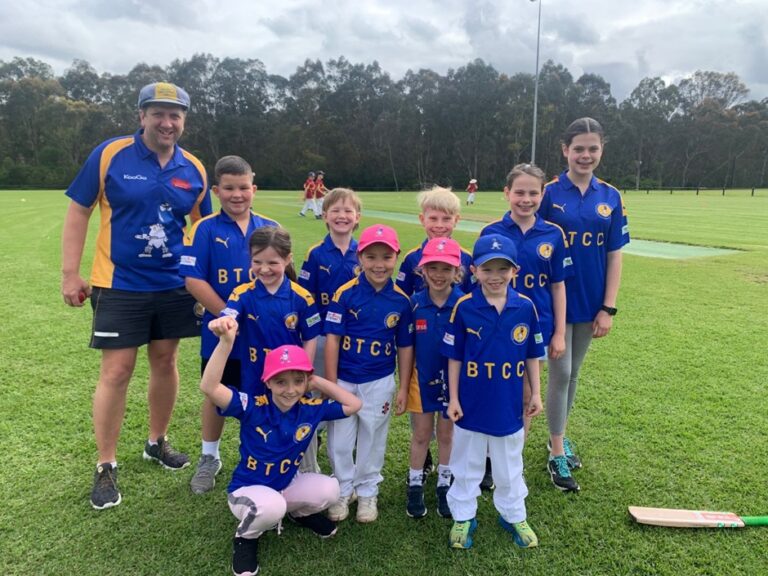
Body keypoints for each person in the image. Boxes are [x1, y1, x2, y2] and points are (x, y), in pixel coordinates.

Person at [61, 81, 211, 510]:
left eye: (175, 115)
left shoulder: (194, 168)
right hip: (119, 282)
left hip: (173, 285)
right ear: (141, 116)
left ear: (183, 120)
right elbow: (79, 210)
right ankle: (105, 464)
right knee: (117, 371)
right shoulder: (110, 154)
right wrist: (70, 273)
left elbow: (202, 230)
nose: (167, 122)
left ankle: (156, 440)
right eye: (157, 113)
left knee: (165, 361)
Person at [201, 319, 362, 576]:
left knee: (331, 489)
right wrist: (225, 343)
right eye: (281, 382)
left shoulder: (309, 408)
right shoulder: (253, 405)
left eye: (298, 381)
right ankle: (246, 537)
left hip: (284, 486)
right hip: (247, 491)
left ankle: (298, 514)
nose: (290, 390)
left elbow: (353, 405)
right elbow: (209, 387)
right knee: (272, 506)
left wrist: (317, 382)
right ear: (267, 382)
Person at [538, 117, 630, 488]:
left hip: (591, 302)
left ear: (601, 150)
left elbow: (615, 255)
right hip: (554, 301)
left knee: (573, 374)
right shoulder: (547, 192)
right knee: (560, 373)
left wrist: (607, 307)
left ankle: (556, 435)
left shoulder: (611, 196)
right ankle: (557, 450)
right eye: (579, 148)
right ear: (565, 150)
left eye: (593, 148)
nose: (586, 155)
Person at [180, 155, 279, 494]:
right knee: (216, 393)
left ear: (254, 187)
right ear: (216, 190)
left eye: (243, 187)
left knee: (268, 392)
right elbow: (194, 280)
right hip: (223, 333)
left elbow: (284, 275)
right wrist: (229, 317)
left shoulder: (270, 227)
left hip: (265, 333)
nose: (237, 194)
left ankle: (269, 450)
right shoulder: (204, 228)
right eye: (229, 188)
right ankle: (210, 457)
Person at [441, 234, 544, 550]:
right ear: (474, 270)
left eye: (503, 269)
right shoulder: (464, 306)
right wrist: (454, 398)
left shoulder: (525, 307)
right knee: (466, 463)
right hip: (471, 404)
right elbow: (455, 357)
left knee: (509, 465)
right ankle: (463, 516)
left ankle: (513, 514)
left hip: (508, 405)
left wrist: (536, 393)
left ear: (515, 270)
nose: (495, 276)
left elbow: (531, 355)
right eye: (487, 269)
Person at [480, 163, 576, 491]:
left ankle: (510, 460)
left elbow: (558, 286)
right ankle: (495, 459)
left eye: (533, 192)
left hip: (536, 329)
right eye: (519, 192)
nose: (526, 199)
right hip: (496, 329)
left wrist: (560, 332)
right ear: (507, 193)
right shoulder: (492, 232)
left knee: (524, 397)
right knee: (500, 391)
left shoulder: (553, 234)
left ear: (542, 194)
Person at [324, 224, 414, 523]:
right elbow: (333, 339)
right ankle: (341, 489)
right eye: (371, 257)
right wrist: (331, 383)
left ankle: (367, 492)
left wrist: (402, 388)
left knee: (373, 437)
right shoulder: (345, 294)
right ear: (359, 258)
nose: (379, 264)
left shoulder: (401, 300)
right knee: (340, 440)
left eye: (386, 257)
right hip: (345, 380)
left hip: (379, 380)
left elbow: (404, 346)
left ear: (396, 257)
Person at [395, 237, 464, 520]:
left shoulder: (464, 303)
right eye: (432, 268)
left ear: (457, 272)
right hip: (420, 382)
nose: (438, 274)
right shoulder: (413, 304)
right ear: (422, 270)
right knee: (422, 434)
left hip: (453, 384)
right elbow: (406, 348)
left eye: (446, 268)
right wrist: (402, 387)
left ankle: (444, 484)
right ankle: (415, 484)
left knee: (447, 435)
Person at [297, 187, 362, 473]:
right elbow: (304, 295)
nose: (342, 216)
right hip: (323, 335)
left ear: (357, 217)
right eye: (335, 210)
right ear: (324, 215)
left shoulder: (364, 252)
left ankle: (352, 437)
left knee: (349, 385)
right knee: (319, 387)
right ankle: (316, 434)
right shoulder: (316, 253)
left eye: (348, 211)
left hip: (356, 335)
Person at [221, 226, 322, 397]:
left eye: (273, 263)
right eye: (257, 262)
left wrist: (305, 372)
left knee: (291, 422)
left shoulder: (302, 297)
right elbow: (229, 315)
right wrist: (223, 322)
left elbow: (310, 337)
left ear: (288, 259)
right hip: (254, 379)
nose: (265, 269)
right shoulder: (241, 294)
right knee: (255, 423)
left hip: (290, 380)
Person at [397, 186, 474, 296]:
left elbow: (472, 297)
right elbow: (402, 297)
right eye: (433, 219)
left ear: (456, 220)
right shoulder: (411, 258)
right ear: (422, 219)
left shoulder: (466, 258)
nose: (439, 225)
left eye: (446, 219)